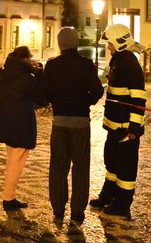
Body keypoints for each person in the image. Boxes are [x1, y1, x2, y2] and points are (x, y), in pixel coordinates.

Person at [40, 26, 105, 224]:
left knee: (58, 167)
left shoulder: (52, 65)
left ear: (60, 43)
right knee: (80, 168)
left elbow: (44, 93)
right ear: (76, 42)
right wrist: (85, 102)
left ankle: (58, 208)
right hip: (81, 124)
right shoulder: (86, 65)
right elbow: (97, 91)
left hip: (60, 123)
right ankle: (78, 211)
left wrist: (56, 102)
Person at [90, 23, 147, 221]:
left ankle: (123, 205)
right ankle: (108, 196)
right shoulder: (119, 61)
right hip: (115, 126)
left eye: (110, 44)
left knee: (126, 168)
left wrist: (134, 127)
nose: (108, 47)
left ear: (119, 43)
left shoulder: (129, 63)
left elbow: (138, 97)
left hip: (125, 128)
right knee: (112, 162)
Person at [0, 45, 42, 211]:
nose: (31, 60)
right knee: (15, 164)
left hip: (8, 122)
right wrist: (39, 74)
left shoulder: (6, 72)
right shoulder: (26, 78)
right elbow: (41, 96)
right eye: (29, 58)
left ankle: (9, 196)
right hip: (21, 124)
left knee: (11, 161)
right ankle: (8, 198)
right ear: (24, 59)